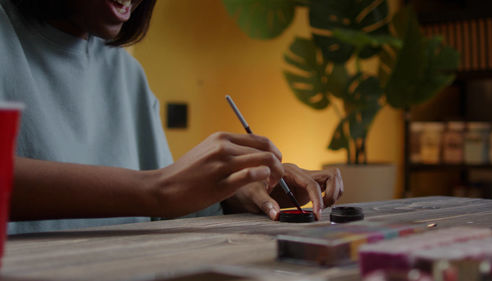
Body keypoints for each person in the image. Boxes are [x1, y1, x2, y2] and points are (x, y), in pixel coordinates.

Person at [0, 0, 344, 234]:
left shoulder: (125, 73)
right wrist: (158, 188)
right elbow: (156, 193)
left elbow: (159, 207)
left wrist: (230, 194)